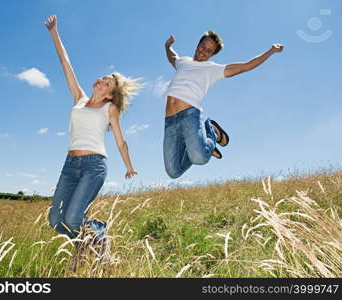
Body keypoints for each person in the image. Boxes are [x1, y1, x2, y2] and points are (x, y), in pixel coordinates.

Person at [45, 15, 142, 246]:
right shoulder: (79, 98)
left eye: (107, 83)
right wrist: (54, 33)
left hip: (94, 166)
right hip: (70, 165)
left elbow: (121, 141)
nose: (100, 81)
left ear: (109, 94)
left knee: (73, 217)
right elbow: (65, 63)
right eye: (103, 78)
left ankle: (98, 234)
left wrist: (129, 166)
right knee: (56, 220)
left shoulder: (109, 109)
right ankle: (88, 245)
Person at [163, 30, 284, 179]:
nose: (203, 51)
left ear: (212, 55)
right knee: (173, 172)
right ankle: (202, 144)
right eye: (203, 46)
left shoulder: (213, 69)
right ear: (198, 44)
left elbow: (247, 66)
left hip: (190, 115)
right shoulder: (183, 62)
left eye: (209, 50)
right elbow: (171, 56)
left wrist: (271, 51)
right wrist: (167, 45)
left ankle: (212, 133)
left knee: (199, 158)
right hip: (170, 122)